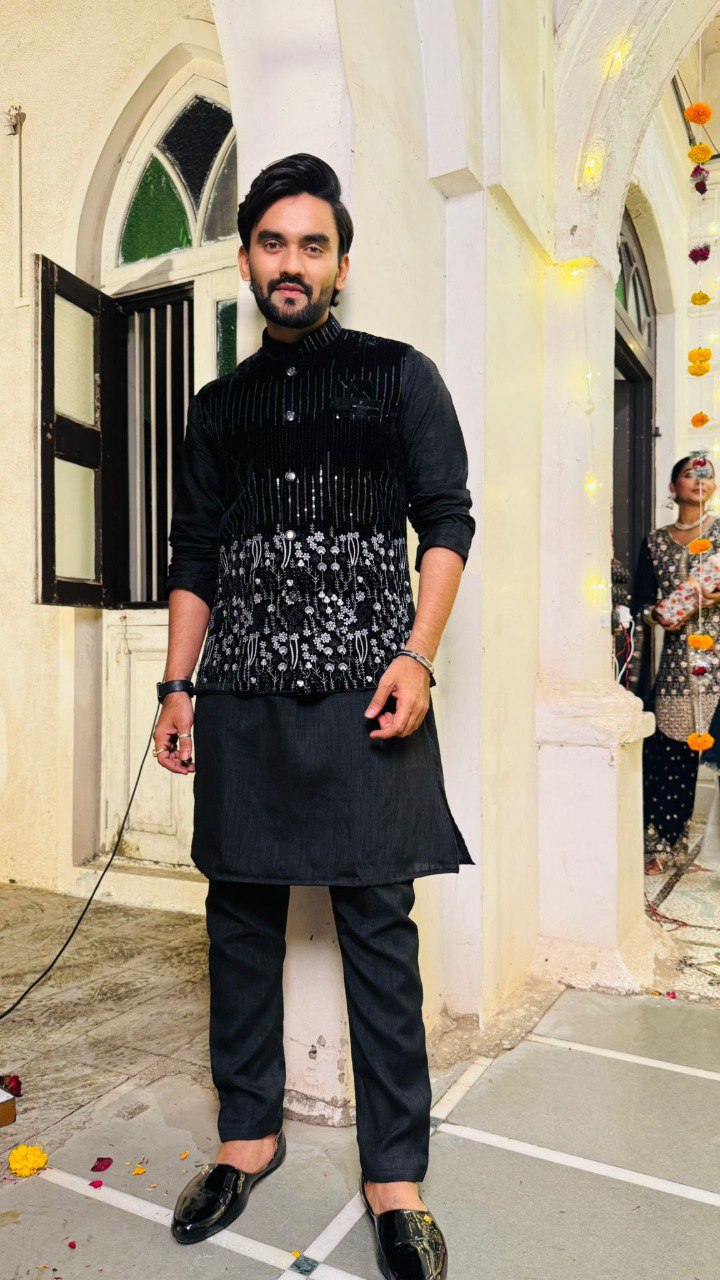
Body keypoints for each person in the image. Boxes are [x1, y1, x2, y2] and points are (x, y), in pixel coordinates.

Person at [155, 153, 475, 1280]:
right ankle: (247, 1137)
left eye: (314, 244)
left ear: (341, 262)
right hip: (237, 695)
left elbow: (446, 519)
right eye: (273, 243)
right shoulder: (215, 409)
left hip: (368, 697)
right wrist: (177, 684)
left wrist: (418, 655)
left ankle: (397, 1178)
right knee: (237, 922)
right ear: (247, 258)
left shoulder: (399, 377)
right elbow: (195, 555)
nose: (292, 264)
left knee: (377, 936)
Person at [631, 454, 720, 876]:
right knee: (669, 759)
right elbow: (640, 608)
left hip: (718, 663)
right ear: (673, 487)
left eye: (707, 474)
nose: (700, 479)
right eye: (690, 473)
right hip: (675, 670)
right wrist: (663, 614)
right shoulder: (654, 543)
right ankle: (663, 844)